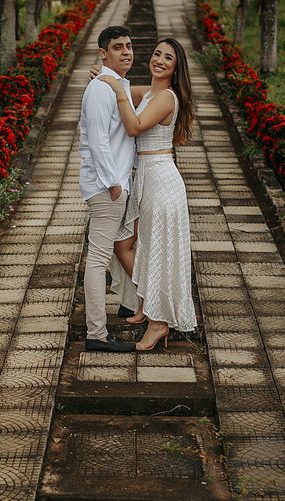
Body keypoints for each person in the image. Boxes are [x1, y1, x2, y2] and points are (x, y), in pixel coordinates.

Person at [95, 37, 197, 351]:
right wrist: (106, 75)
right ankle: (147, 303)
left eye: (168, 58)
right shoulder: (151, 92)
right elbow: (127, 89)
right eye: (156, 54)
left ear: (176, 69)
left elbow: (135, 126)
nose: (160, 60)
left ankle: (158, 323)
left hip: (161, 179)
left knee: (155, 251)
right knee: (123, 243)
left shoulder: (166, 97)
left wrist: (115, 88)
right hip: (146, 178)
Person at [78, 25, 141, 352]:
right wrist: (113, 183)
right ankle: (97, 334)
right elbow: (97, 141)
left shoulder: (116, 85)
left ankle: (130, 306)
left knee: (108, 253)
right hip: (107, 187)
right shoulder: (102, 89)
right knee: (98, 259)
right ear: (103, 53)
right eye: (118, 47)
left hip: (113, 183)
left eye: (129, 46)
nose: (126, 52)